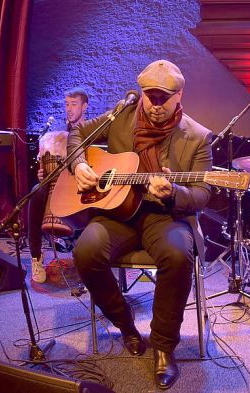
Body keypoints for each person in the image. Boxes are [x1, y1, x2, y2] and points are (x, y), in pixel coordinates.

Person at [69, 61, 211, 390]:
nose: (156, 105)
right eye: (151, 97)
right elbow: (77, 133)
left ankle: (163, 347)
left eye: (164, 98)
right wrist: (78, 165)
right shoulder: (121, 116)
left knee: (178, 257)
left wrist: (175, 192)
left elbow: (204, 194)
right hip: (117, 214)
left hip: (165, 216)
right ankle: (126, 325)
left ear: (180, 96)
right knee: (85, 252)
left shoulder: (198, 137)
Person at [28, 87, 90, 284]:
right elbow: (47, 168)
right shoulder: (59, 136)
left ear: (84, 106)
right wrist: (42, 173)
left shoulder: (92, 130)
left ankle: (90, 260)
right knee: (36, 191)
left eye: (74, 104)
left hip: (81, 183)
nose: (69, 109)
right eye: (67, 104)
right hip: (57, 184)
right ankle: (36, 257)